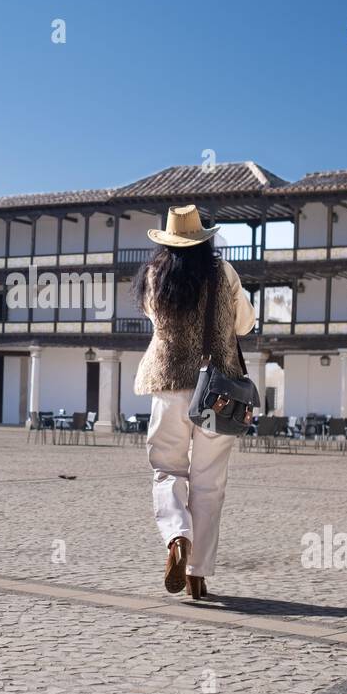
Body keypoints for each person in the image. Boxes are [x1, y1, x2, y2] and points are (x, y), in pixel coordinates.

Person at [132, 205, 256, 600]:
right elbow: (245, 325)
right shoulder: (224, 274)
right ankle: (197, 575)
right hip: (217, 390)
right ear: (204, 239)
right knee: (209, 483)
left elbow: (154, 320)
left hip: (169, 383)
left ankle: (176, 538)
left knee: (167, 468)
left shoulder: (155, 274)